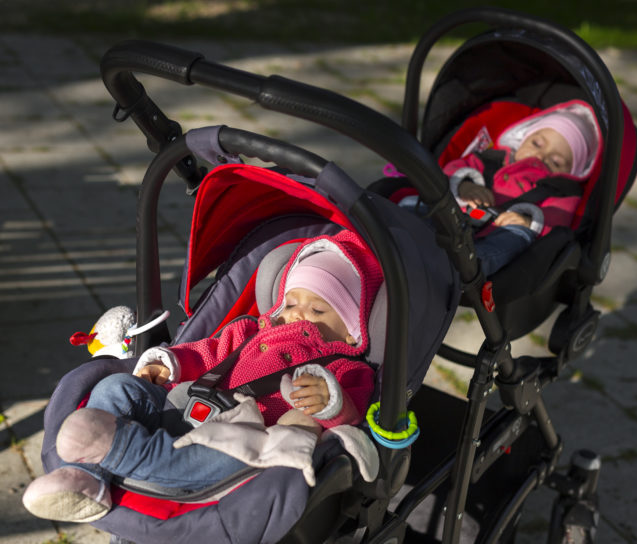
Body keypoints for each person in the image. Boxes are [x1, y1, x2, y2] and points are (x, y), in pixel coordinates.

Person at [23, 230, 382, 523]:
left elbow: (352, 414)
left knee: (214, 460)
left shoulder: (345, 366)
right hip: (180, 406)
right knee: (117, 387)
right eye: (291, 303)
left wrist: (329, 400)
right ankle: (85, 479)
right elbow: (204, 353)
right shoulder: (247, 332)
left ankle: (116, 451)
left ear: (351, 330)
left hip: (239, 441)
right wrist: (168, 362)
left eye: (318, 308)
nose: (299, 313)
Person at [403, 100, 600, 277]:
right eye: (537, 143)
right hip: (454, 220)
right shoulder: (492, 159)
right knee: (417, 201)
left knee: (517, 237)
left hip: (494, 242)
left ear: (569, 172)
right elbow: (453, 168)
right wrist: (464, 185)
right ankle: (402, 232)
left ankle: (464, 267)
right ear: (523, 137)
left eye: (556, 161)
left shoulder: (560, 192)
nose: (540, 156)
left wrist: (528, 223)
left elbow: (557, 227)